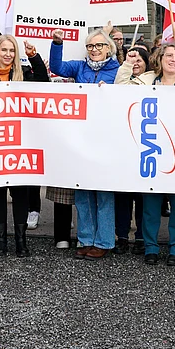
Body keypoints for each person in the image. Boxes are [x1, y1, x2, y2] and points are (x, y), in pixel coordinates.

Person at [50, 25, 120, 259]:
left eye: (99, 45)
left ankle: (104, 241)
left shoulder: (117, 71)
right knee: (82, 192)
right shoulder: (79, 67)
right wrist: (57, 44)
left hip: (107, 139)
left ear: (108, 48)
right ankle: (86, 238)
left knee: (103, 193)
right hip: (82, 138)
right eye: (90, 46)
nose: (94, 49)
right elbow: (57, 68)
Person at [0, 33, 48, 257]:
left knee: (20, 192)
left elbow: (44, 82)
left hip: (20, 142)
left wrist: (34, 57)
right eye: (3, 50)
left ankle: (21, 240)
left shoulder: (25, 74)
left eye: (11, 51)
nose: (7, 54)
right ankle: (0, 240)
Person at [130, 43, 175, 266]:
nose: (173, 59)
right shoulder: (143, 82)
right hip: (151, 150)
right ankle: (151, 247)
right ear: (159, 59)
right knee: (150, 204)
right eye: (168, 55)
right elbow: (121, 98)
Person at [113, 43, 151, 253]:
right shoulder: (123, 77)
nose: (135, 63)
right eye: (132, 59)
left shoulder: (152, 82)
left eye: (139, 60)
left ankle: (141, 237)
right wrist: (126, 65)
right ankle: (121, 236)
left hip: (145, 144)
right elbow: (120, 86)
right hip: (124, 145)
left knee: (143, 197)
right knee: (123, 195)